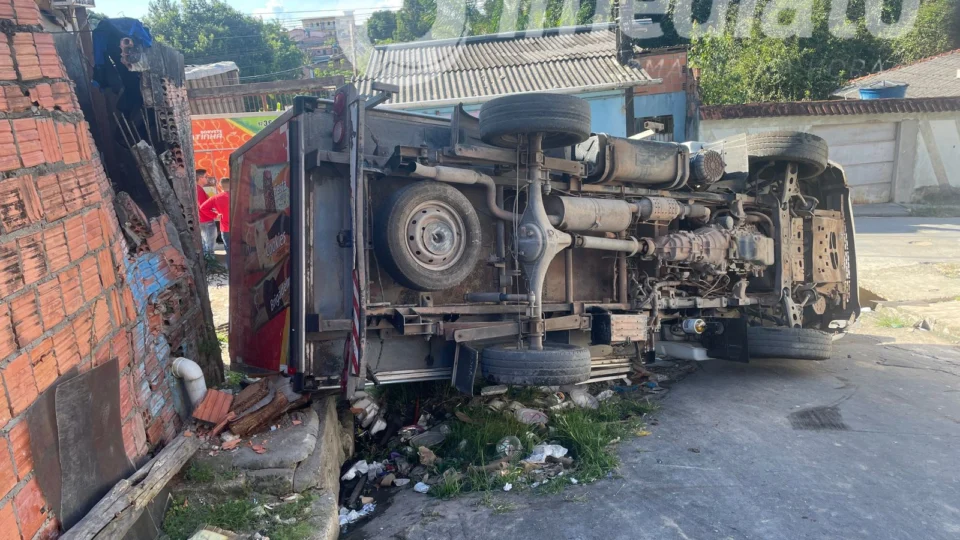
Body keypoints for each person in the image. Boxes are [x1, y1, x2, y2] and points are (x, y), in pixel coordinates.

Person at [200, 176, 231, 269]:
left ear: (221, 186)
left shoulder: (216, 198)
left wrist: (215, 215)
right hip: (240, 228)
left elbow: (202, 208)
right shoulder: (240, 196)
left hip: (226, 229)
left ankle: (232, 271)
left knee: (229, 250)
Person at [196, 169, 217, 254]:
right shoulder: (199, 190)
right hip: (206, 221)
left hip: (202, 220)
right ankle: (210, 265)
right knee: (209, 246)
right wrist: (215, 215)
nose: (207, 179)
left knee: (206, 245)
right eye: (206, 177)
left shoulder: (197, 189)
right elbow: (202, 207)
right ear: (200, 178)